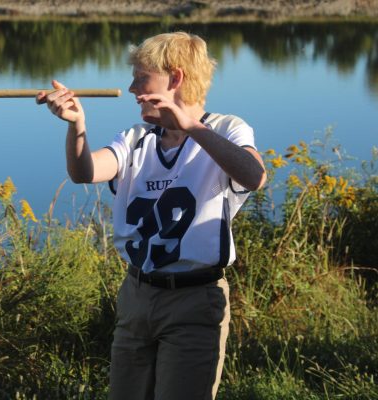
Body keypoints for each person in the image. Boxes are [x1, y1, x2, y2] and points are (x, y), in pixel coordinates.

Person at [37, 31, 266, 400]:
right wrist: (76, 126)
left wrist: (191, 126)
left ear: (175, 79)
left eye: (140, 78)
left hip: (194, 300)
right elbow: (85, 172)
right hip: (137, 295)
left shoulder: (225, 129)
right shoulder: (136, 138)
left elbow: (254, 177)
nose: (131, 88)